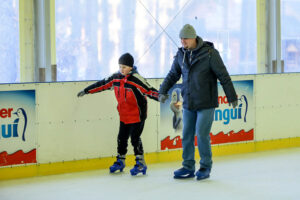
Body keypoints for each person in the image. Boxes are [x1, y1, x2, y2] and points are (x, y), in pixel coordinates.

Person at [158, 24, 238, 180]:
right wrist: (162, 91)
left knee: (201, 134)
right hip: (189, 102)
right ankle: (188, 166)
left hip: (206, 102)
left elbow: (223, 75)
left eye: (185, 38)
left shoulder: (210, 54)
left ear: (194, 38)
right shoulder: (181, 55)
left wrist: (232, 96)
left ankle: (205, 166)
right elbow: (173, 74)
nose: (182, 41)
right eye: (181, 38)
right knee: (187, 134)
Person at [77, 53, 159, 176]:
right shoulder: (115, 78)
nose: (121, 69)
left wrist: (161, 97)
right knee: (121, 138)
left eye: (124, 67)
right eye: (120, 66)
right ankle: (120, 161)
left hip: (137, 115)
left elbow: (149, 90)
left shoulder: (136, 79)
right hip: (124, 115)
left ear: (131, 67)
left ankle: (141, 164)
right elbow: (102, 84)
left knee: (135, 138)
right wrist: (86, 90)